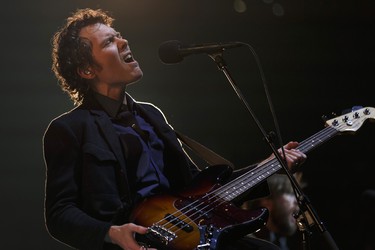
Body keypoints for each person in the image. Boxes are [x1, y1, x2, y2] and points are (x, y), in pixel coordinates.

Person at [43, 8, 307, 250]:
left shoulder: (152, 115)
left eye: (119, 36)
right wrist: (112, 233)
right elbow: (59, 214)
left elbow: (199, 189)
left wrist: (269, 165)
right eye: (109, 42)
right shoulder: (70, 129)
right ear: (87, 69)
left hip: (190, 238)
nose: (124, 42)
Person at [243, 174, 303, 250]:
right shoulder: (239, 243)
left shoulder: (280, 242)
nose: (297, 201)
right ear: (266, 202)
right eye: (290, 193)